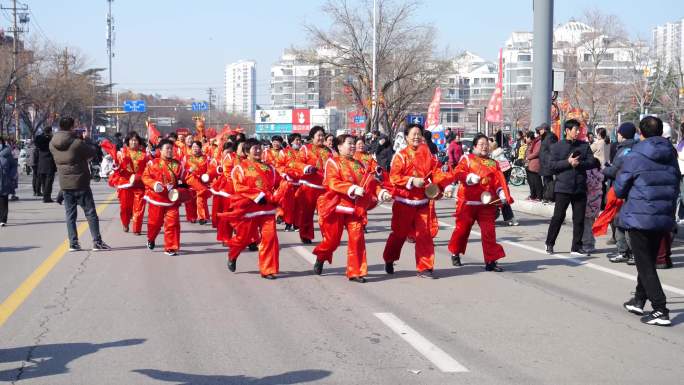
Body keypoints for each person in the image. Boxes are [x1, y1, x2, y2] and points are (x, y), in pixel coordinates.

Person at [617, 116, 680, 326]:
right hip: (663, 213)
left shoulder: (635, 155)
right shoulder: (671, 153)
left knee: (645, 265)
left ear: (640, 134)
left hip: (640, 214)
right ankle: (638, 299)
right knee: (649, 261)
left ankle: (660, 309)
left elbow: (620, 188)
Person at [313, 134, 392, 282]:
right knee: (332, 241)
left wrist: (382, 192)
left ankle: (356, 272)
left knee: (357, 238)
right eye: (349, 143)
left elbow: (371, 183)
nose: (353, 146)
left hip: (355, 208)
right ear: (339, 146)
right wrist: (352, 188)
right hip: (336, 207)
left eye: (353, 143)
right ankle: (321, 257)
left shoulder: (360, 165)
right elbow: (332, 182)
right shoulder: (333, 162)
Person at [382, 124, 447, 279]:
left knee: (424, 234)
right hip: (404, 202)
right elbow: (394, 177)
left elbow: (436, 172)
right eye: (413, 134)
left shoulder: (428, 155)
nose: (416, 137)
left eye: (419, 134)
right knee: (399, 234)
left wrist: (443, 184)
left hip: (423, 202)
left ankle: (425, 268)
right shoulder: (401, 155)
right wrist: (411, 180)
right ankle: (389, 258)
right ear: (406, 137)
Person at [448, 134, 514, 271]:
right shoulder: (467, 159)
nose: (484, 147)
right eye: (481, 144)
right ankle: (455, 252)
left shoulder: (493, 163)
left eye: (486, 144)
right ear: (474, 147)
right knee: (462, 231)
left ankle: (491, 261)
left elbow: (498, 181)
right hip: (468, 203)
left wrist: (501, 192)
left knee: (489, 232)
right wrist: (468, 177)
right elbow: (458, 173)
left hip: (486, 203)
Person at [49, 117, 110, 251]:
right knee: (90, 213)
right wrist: (86, 139)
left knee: (70, 216)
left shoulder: (52, 143)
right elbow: (92, 152)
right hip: (81, 182)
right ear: (71, 127)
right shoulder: (77, 143)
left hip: (65, 183)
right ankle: (97, 242)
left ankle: (73, 243)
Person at [225, 138, 281, 279]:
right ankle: (233, 254)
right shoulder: (240, 168)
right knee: (242, 239)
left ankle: (267, 270)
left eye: (259, 148)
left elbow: (279, 183)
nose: (258, 151)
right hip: (248, 210)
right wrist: (256, 195)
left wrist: (280, 191)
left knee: (270, 238)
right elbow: (238, 186)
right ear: (246, 152)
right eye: (254, 148)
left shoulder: (270, 169)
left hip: (266, 210)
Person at [545, 119, 597, 255]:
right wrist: (568, 162)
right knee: (558, 217)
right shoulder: (557, 147)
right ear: (567, 131)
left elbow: (592, 162)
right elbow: (551, 165)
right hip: (563, 187)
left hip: (580, 186)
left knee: (579, 218)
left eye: (579, 130)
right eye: (575, 129)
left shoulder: (584, 146)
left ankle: (576, 246)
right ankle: (549, 243)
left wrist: (579, 163)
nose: (578, 132)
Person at [142, 139, 185, 256]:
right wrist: (154, 184)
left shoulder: (178, 165)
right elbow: (145, 177)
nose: (170, 150)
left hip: (172, 200)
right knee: (154, 224)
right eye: (167, 148)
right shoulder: (153, 163)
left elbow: (185, 179)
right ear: (160, 150)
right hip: (156, 199)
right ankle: (151, 238)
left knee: (173, 223)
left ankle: (170, 247)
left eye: (172, 148)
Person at [603, 122, 637, 264]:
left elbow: (615, 170)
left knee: (620, 221)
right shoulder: (636, 147)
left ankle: (625, 252)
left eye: (618, 132)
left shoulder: (624, 150)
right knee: (626, 222)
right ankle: (629, 252)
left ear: (622, 134)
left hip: (621, 190)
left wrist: (605, 169)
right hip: (632, 190)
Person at [294, 126, 332, 244]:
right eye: (318, 135)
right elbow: (297, 162)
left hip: (324, 186)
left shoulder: (328, 151)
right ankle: (306, 234)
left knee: (326, 213)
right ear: (312, 137)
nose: (321, 138)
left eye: (322, 135)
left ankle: (328, 236)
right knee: (307, 212)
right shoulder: (306, 148)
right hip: (308, 185)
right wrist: (306, 168)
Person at [109, 132, 149, 235]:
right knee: (125, 207)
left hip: (139, 184)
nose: (134, 142)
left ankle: (136, 229)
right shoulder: (121, 154)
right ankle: (125, 223)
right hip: (125, 184)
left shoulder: (144, 155)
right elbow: (117, 169)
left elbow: (149, 170)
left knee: (139, 208)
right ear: (128, 142)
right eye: (131, 140)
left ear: (139, 142)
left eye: (136, 140)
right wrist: (116, 165)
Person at [277, 133, 303, 232]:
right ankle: (288, 224)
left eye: (300, 140)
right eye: (297, 140)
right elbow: (279, 165)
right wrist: (285, 174)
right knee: (288, 205)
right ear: (291, 141)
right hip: (289, 182)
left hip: (301, 182)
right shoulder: (284, 152)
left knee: (299, 205)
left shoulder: (303, 152)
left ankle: (297, 225)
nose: (299, 142)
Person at [490, 140, 519, 226]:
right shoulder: (500, 153)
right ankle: (511, 218)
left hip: (498, 178)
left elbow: (495, 168)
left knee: (501, 198)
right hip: (500, 177)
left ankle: (507, 218)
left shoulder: (494, 155)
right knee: (502, 198)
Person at [183, 141, 211, 224]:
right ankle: (192, 217)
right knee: (190, 200)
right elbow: (182, 170)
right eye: (193, 147)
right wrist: (188, 170)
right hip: (190, 180)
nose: (195, 149)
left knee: (201, 198)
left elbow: (210, 169)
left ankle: (202, 217)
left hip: (201, 181)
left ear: (200, 148)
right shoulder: (186, 157)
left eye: (197, 147)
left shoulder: (206, 158)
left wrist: (206, 176)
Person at [582, 159, 604, 254]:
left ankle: (587, 245)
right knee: (590, 223)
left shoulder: (589, 174)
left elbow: (588, 184)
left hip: (588, 201)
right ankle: (591, 243)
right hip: (596, 202)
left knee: (586, 224)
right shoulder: (600, 173)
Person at [35, 127, 57, 203]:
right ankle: (47, 197)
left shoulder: (39, 140)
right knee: (49, 182)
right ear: (50, 131)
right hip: (49, 162)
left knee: (44, 181)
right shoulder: (50, 140)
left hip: (41, 163)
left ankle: (45, 196)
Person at [0, 137, 18, 226]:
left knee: (3, 200)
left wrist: (10, 176)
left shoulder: (7, 152)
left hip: (4, 179)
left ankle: (3, 219)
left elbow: (13, 166)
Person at [538, 123, 558, 203]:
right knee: (546, 180)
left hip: (548, 163)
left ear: (545, 129)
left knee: (549, 181)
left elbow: (553, 150)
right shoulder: (545, 137)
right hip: (545, 162)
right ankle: (547, 196)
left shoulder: (550, 137)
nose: (539, 131)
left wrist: (550, 161)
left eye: (541, 129)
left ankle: (550, 197)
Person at [525, 130, 543, 201]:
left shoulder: (538, 142)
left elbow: (536, 153)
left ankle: (538, 196)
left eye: (527, 137)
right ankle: (533, 195)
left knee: (536, 181)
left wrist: (528, 157)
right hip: (530, 164)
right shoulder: (533, 143)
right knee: (531, 182)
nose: (526, 139)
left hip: (534, 164)